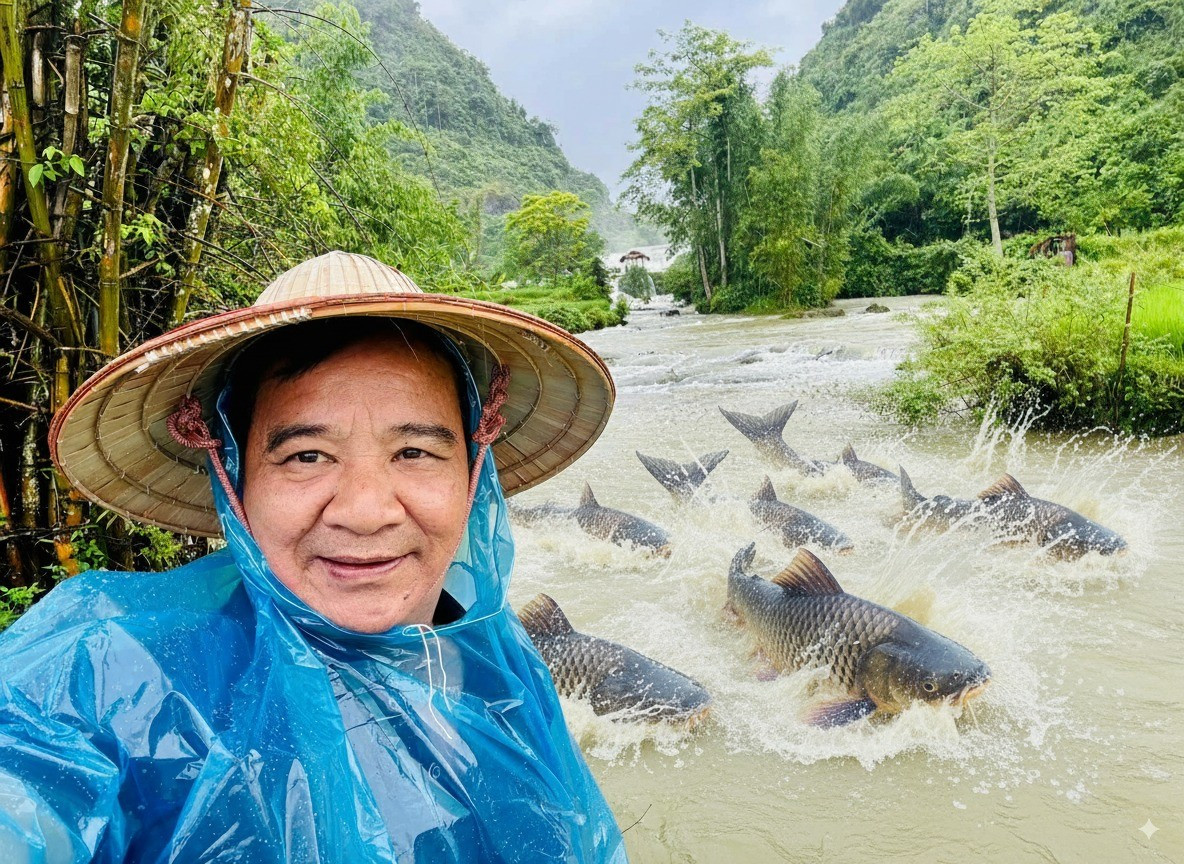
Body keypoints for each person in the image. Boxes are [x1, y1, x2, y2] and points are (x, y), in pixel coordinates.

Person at [0, 252, 627, 862]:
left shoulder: (503, 666)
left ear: (472, 473)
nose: (364, 510)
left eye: (414, 452)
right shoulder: (113, 677)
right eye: (306, 455)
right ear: (235, 477)